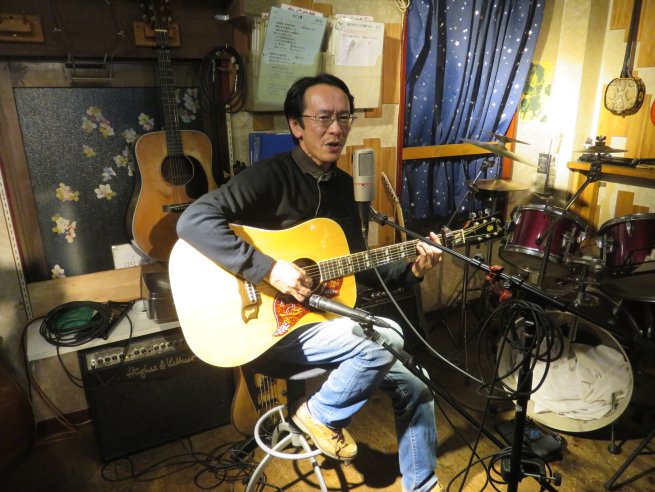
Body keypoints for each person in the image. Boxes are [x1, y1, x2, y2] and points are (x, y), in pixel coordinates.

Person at [176, 73, 444, 492]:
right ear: (296, 125)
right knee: (388, 335)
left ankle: (422, 486)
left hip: (321, 322)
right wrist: (268, 269)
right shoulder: (269, 177)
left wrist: (413, 268)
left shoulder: (346, 188)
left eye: (344, 117)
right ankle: (318, 415)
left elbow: (359, 264)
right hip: (270, 329)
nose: (336, 129)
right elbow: (193, 220)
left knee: (417, 382)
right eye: (323, 118)